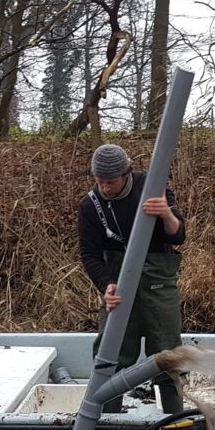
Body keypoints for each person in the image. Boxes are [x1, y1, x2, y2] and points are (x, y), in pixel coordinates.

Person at [78, 143, 186, 414]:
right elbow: (90, 255)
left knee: (167, 355)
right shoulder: (91, 205)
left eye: (110, 181)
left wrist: (165, 213)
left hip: (158, 284)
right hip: (118, 288)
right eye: (99, 181)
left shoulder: (151, 187)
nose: (105, 188)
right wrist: (106, 286)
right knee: (110, 356)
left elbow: (178, 235)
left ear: (126, 173)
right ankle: (106, 420)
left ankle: (173, 419)